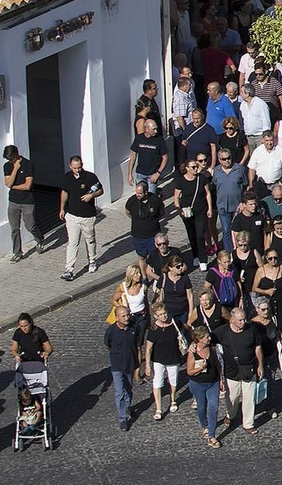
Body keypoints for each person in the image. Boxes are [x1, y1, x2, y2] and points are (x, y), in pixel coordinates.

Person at [213, 305, 265, 434]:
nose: (243, 322)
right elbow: (208, 340)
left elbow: (257, 347)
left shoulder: (251, 330)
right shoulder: (222, 331)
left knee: (249, 398)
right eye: (240, 320)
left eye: (244, 319)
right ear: (232, 320)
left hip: (249, 368)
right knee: (233, 398)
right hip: (231, 370)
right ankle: (230, 415)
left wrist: (260, 365)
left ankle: (248, 423)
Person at [59, 154, 104, 280]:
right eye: (74, 168)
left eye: (79, 167)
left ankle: (92, 260)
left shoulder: (90, 177)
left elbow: (100, 190)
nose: (77, 170)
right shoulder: (67, 177)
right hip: (72, 216)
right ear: (70, 166)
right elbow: (64, 192)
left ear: (82, 165)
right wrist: (62, 208)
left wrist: (91, 195)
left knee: (90, 240)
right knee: (72, 243)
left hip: (87, 216)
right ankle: (69, 269)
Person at [143, 303, 186, 420]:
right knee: (157, 382)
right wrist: (147, 365)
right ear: (155, 316)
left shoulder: (174, 322)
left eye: (164, 313)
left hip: (173, 357)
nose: (163, 316)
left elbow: (184, 330)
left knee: (173, 380)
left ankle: (173, 400)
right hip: (158, 359)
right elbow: (148, 348)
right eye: (160, 314)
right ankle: (159, 408)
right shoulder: (153, 329)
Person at [184, 325, 223, 448]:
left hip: (213, 383)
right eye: (206, 337)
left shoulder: (212, 348)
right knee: (201, 408)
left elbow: (218, 365)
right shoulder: (193, 352)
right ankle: (204, 425)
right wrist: (200, 368)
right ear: (199, 339)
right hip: (198, 384)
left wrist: (221, 380)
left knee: (214, 408)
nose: (209, 338)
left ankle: (211, 436)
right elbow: (189, 372)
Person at [4, 145, 44, 260]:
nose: (10, 161)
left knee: (30, 226)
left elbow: (27, 186)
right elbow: (8, 183)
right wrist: (15, 169)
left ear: (16, 155)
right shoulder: (7, 166)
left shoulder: (28, 164)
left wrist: (13, 186)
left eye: (11, 158)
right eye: (8, 159)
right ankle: (17, 252)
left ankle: (40, 239)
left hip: (27, 201)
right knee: (14, 228)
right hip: (13, 201)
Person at [104, 301, 137, 430]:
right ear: (117, 318)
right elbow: (107, 344)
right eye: (123, 316)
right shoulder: (111, 331)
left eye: (127, 315)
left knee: (128, 388)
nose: (126, 318)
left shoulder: (133, 327)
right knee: (119, 392)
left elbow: (137, 342)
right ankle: (123, 419)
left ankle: (127, 406)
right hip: (117, 365)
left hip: (130, 364)